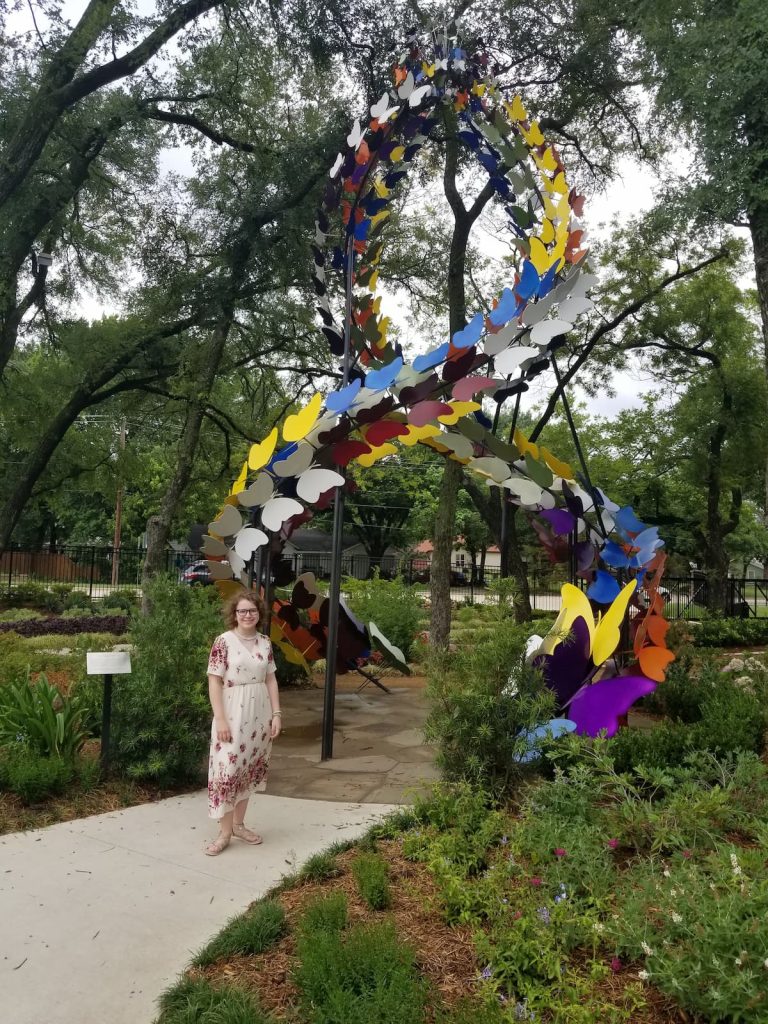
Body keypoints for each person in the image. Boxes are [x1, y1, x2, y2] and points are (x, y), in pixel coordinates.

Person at [204, 587, 281, 856]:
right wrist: (220, 719)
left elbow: (270, 678)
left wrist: (276, 714)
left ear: (259, 614)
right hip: (232, 712)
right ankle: (224, 833)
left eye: (252, 610)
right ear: (234, 615)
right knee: (227, 770)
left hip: (258, 714)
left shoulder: (265, 642)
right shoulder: (223, 642)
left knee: (248, 770)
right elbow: (214, 681)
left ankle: (238, 825)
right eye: (242, 611)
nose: (247, 615)